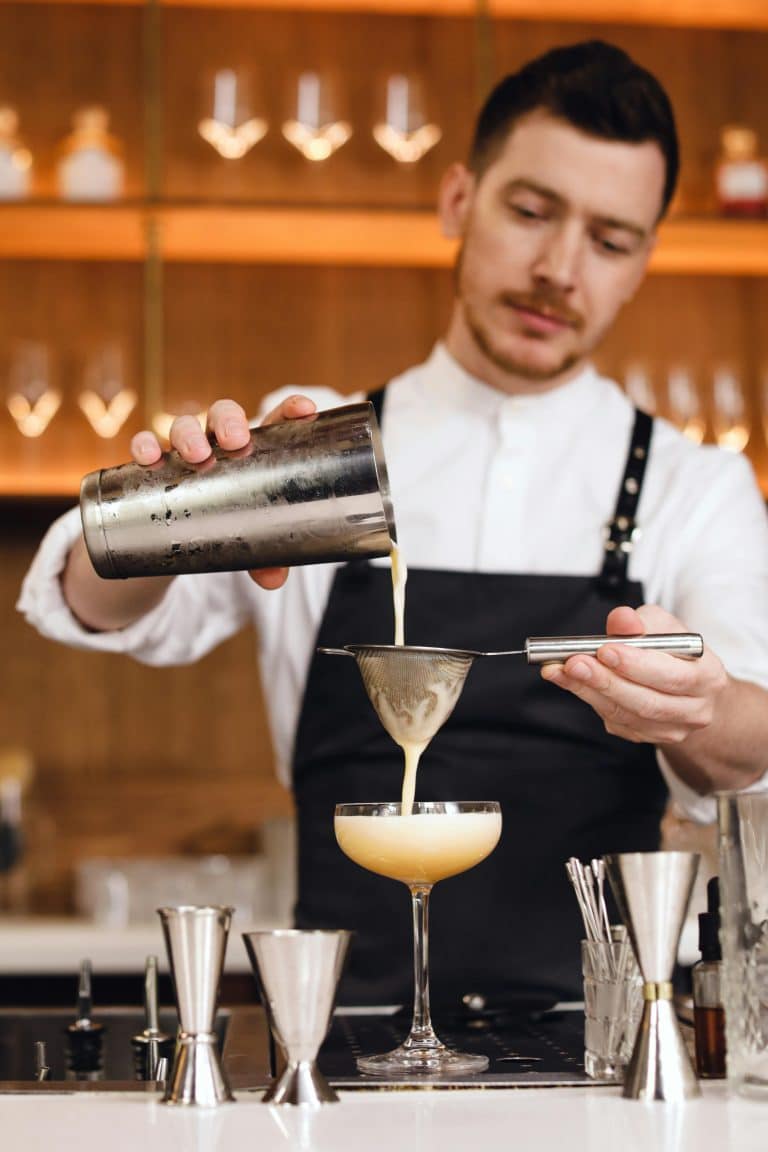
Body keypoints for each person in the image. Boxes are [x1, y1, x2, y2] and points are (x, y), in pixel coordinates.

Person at [19, 40, 768, 1009]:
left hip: (604, 1055)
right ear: (460, 199)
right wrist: (162, 502)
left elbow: (751, 745)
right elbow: (96, 607)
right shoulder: (313, 448)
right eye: (531, 211)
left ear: (643, 262)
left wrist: (700, 709)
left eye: (610, 239)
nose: (557, 267)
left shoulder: (691, 485)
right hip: (333, 1043)